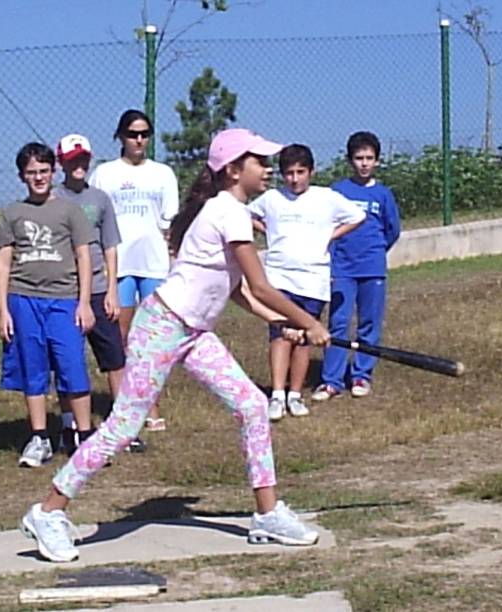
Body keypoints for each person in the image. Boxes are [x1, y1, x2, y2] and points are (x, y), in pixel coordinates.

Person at [19, 128, 331, 563]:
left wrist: (280, 321)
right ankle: (48, 511)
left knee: (252, 406)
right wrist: (309, 322)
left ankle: (267, 514)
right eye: (259, 161)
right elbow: (261, 284)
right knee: (124, 427)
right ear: (233, 170)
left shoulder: (228, 210)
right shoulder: (229, 212)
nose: (268, 169)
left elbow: (238, 289)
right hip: (162, 327)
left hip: (195, 333)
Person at [0, 142, 96, 468]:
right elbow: (4, 264)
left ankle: (84, 436)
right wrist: (3, 310)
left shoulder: (69, 211)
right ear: (21, 176)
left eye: (43, 171)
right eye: (31, 172)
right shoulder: (12, 213)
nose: (38, 178)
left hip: (63, 300)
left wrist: (84, 303)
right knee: (33, 368)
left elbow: (83, 257)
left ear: (53, 172)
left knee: (71, 365)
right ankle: (39, 438)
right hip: (24, 300)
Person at [249, 144, 365, 421]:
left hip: (312, 279)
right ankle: (277, 394)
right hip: (279, 277)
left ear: (311, 172)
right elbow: (246, 214)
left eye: (300, 172)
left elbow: (357, 217)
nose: (294, 179)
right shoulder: (272, 199)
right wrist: (268, 230)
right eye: (289, 173)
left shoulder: (326, 197)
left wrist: (329, 235)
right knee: (280, 334)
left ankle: (295, 394)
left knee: (304, 337)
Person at [54, 133, 146, 454]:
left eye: (83, 158)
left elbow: (110, 246)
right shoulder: (53, 199)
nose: (78, 165)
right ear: (61, 163)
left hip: (96, 289)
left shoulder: (100, 199)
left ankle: (123, 425)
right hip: (64, 291)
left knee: (115, 357)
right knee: (67, 361)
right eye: (72, 160)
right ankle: (68, 425)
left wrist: (111, 291)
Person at [90, 109, 179, 432]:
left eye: (144, 134)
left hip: (153, 263)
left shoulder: (162, 174)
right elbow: (94, 218)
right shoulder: (104, 174)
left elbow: (170, 220)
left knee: (152, 338)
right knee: (120, 337)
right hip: (120, 266)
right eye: (132, 134)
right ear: (121, 137)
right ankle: (125, 406)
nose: (139, 140)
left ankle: (152, 404)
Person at [312, 131, 401, 402]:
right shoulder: (337, 192)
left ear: (377, 161)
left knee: (369, 323)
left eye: (369, 158)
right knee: (338, 322)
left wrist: (375, 252)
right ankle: (332, 380)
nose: (364, 163)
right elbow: (327, 226)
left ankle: (361, 374)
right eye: (359, 158)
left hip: (372, 269)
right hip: (342, 269)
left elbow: (392, 230)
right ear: (350, 160)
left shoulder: (383, 194)